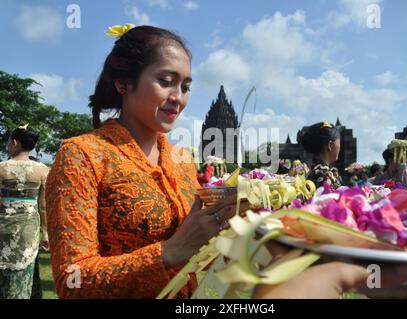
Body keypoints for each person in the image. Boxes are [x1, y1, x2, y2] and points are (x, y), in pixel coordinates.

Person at [45, 24, 244, 299]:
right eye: (165, 81)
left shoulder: (182, 160)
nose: (178, 98)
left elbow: (199, 255)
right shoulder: (82, 155)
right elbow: (72, 281)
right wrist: (170, 252)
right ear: (123, 83)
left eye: (185, 87)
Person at [0, 126, 49, 299]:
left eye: (8, 141)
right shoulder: (43, 170)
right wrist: (46, 235)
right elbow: (43, 206)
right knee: (23, 274)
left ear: (14, 142)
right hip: (28, 231)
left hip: (2, 230)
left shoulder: (1, 168)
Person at [299, 121, 342, 189]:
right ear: (330, 145)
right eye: (339, 143)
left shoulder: (316, 172)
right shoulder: (325, 175)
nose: (340, 147)